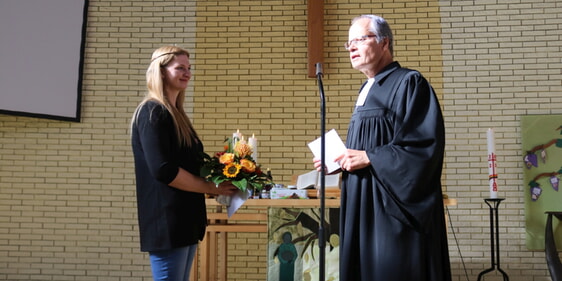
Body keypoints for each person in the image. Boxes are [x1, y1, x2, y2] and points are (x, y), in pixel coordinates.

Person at [314, 15, 452, 281]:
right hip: (360, 204)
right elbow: (365, 149)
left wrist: (369, 157)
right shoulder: (366, 89)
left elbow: (423, 147)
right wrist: (340, 162)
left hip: (391, 209)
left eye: (360, 39)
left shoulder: (409, 83)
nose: (352, 47)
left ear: (384, 42)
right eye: (349, 43)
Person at [131, 45, 238, 281]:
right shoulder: (152, 112)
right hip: (167, 220)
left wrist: (229, 173)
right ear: (160, 71)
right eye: (180, 68)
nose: (187, 73)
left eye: (189, 68)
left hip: (185, 220)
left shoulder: (176, 116)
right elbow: (163, 170)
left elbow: (191, 162)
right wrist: (211, 187)